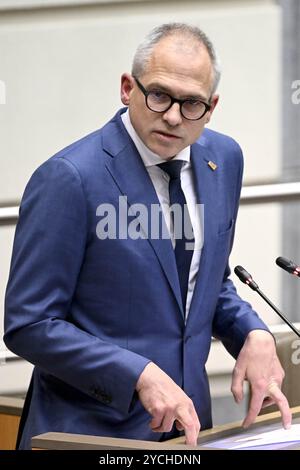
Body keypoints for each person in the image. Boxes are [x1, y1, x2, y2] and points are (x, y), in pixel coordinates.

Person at [4, 22, 291, 449]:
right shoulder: (69, 178)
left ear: (211, 107)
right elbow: (29, 323)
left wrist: (253, 332)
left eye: (191, 103)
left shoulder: (224, 159)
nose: (173, 116)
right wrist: (136, 373)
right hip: (89, 434)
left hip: (190, 431)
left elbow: (204, 282)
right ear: (127, 88)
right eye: (158, 95)